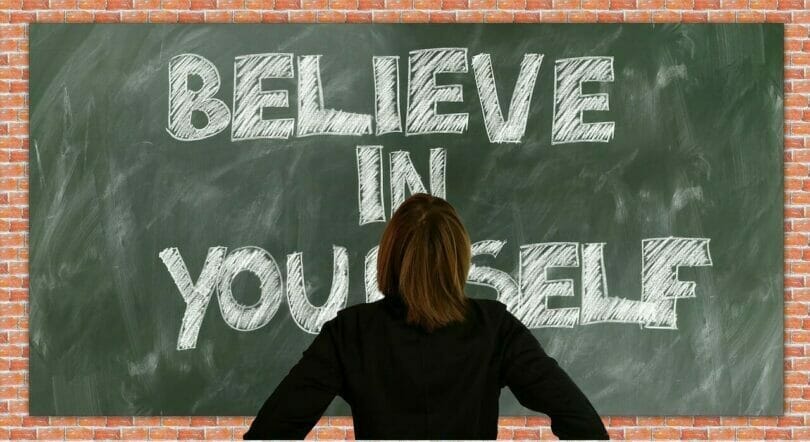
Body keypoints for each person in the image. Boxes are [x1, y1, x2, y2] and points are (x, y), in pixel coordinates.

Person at [244, 193, 609, 440]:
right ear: (458, 258)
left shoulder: (352, 332)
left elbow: (268, 433)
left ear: (391, 255)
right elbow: (586, 427)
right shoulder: (494, 327)